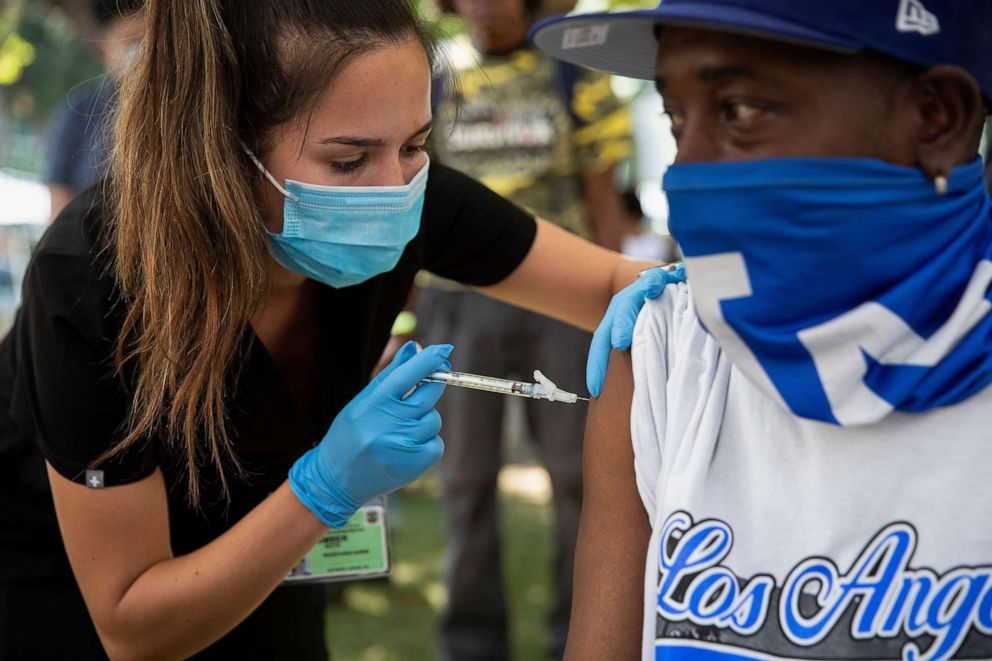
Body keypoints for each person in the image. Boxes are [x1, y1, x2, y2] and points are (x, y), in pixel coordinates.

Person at [0, 1, 681, 658]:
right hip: (74, 605)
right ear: (223, 151)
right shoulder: (90, 278)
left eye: (415, 144)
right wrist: (324, 485)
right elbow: (132, 626)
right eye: (348, 162)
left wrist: (666, 302)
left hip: (273, 574)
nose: (394, 188)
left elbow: (613, 283)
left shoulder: (407, 191)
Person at [530, 0, 992, 659]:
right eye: (675, 117)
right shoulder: (665, 353)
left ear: (937, 116)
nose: (684, 169)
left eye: (739, 111)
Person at [418, 0, 634, 658]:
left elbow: (604, 196)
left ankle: (578, 633)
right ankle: (472, 641)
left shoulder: (574, 74)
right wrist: (396, 321)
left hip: (561, 305)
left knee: (580, 475)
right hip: (454, 304)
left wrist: (618, 309)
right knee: (464, 479)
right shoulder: (432, 73)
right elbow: (403, 191)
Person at [44, 0, 144, 221]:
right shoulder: (78, 111)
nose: (139, 53)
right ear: (104, 47)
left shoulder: (177, 107)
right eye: (131, 42)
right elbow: (59, 205)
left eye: (147, 41)